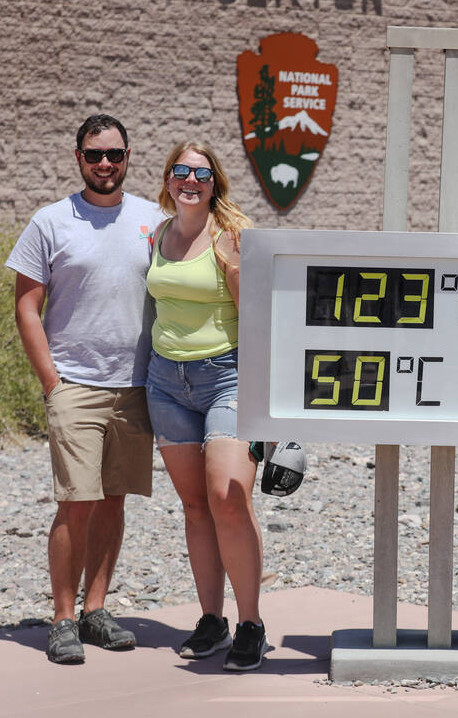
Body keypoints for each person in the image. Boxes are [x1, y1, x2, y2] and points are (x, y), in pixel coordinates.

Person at [6, 114, 163, 664]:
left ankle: (97, 609)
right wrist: (52, 381)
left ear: (127, 157)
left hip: (137, 386)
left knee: (114, 502)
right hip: (75, 383)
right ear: (78, 157)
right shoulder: (50, 222)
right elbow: (27, 306)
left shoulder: (154, 218)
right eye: (95, 154)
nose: (105, 164)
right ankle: (64, 617)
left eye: (115, 155)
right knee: (77, 503)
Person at [145, 141, 269, 671]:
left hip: (226, 377)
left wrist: (235, 268)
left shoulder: (232, 237)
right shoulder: (157, 233)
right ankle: (212, 619)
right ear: (168, 179)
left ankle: (251, 624)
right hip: (166, 382)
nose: (189, 180)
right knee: (195, 506)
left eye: (200, 173)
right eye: (180, 172)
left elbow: (259, 316)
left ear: (214, 181)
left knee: (227, 497)